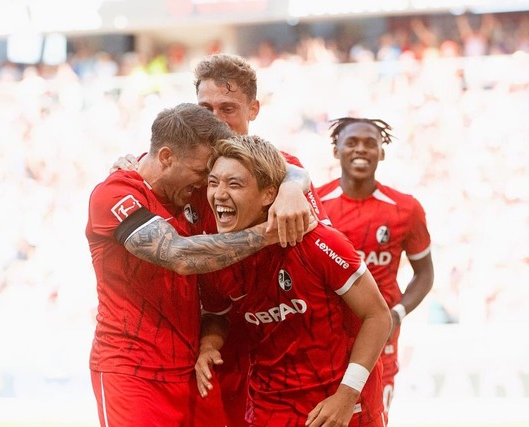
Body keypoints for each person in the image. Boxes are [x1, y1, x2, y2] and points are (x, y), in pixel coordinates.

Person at [111, 53, 330, 426]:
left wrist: (295, 183)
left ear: (254, 109)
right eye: (205, 107)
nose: (215, 118)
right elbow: (145, 184)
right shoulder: (185, 176)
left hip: (288, 344)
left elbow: (324, 266)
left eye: (227, 107)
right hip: (213, 342)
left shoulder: (280, 172)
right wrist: (128, 166)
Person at [195, 134, 392, 426]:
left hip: (336, 409)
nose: (219, 194)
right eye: (213, 183)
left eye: (234, 184)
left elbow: (378, 316)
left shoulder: (316, 241)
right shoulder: (218, 258)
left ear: (268, 194)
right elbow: (216, 314)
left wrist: (346, 396)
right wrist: (209, 345)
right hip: (269, 411)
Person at [316, 117, 435, 424]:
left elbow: (424, 273)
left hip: (380, 335)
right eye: (352, 142)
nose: (361, 149)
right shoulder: (314, 204)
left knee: (374, 419)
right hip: (324, 336)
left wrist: (397, 313)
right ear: (336, 150)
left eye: (371, 143)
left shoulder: (405, 209)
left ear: (382, 152)